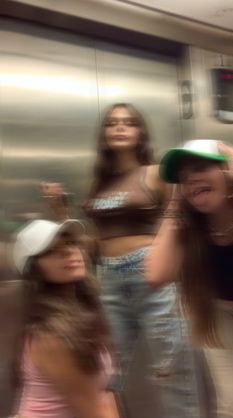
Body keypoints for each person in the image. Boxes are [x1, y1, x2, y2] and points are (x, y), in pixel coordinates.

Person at [42, 103, 202, 418]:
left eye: (128, 122)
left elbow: (180, 222)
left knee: (171, 373)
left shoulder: (156, 173)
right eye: (112, 123)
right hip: (108, 280)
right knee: (106, 373)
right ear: (104, 133)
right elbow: (93, 245)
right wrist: (62, 214)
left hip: (150, 276)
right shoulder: (99, 183)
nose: (119, 127)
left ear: (140, 132)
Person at [146, 139, 233, 418]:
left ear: (227, 172)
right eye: (183, 178)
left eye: (201, 167)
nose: (191, 179)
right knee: (231, 405)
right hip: (221, 317)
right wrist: (175, 202)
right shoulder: (192, 229)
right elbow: (156, 274)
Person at [11, 218, 118, 418]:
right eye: (51, 250)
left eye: (71, 243)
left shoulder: (85, 312)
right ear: (35, 269)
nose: (69, 251)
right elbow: (93, 412)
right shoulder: (51, 336)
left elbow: (103, 395)